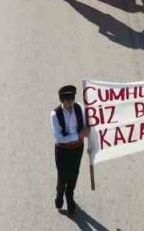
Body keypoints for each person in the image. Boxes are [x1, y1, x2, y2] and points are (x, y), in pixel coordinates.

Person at [50, 84, 88, 214]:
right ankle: (60, 194)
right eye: (67, 100)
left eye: (72, 99)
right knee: (63, 175)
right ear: (62, 100)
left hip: (78, 148)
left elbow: (87, 126)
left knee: (74, 173)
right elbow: (59, 138)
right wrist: (78, 135)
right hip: (63, 150)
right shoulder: (55, 114)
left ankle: (69, 195)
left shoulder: (79, 108)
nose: (70, 103)